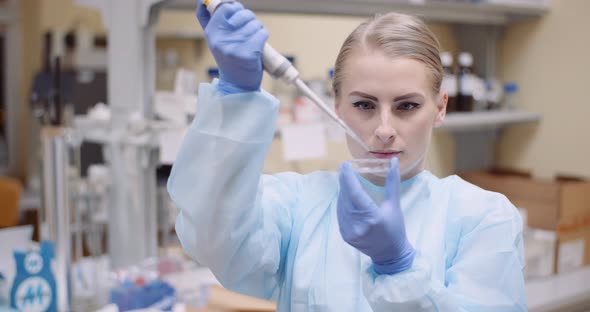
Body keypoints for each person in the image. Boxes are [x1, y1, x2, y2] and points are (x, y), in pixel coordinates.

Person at [168, 1, 527, 311]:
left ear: (439, 107)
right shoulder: (297, 204)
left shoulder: (483, 218)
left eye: (407, 106)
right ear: (337, 107)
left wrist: (398, 266)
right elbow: (211, 239)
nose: (384, 128)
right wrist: (236, 95)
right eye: (364, 105)